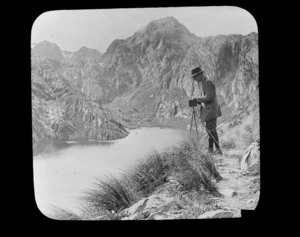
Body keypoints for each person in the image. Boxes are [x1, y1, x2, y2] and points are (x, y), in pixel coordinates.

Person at [191, 66, 223, 155]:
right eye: (193, 77)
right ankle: (211, 149)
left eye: (195, 76)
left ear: (200, 74)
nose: (194, 79)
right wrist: (197, 101)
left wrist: (197, 98)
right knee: (210, 130)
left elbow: (210, 97)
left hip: (211, 110)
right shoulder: (203, 83)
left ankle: (217, 149)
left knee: (211, 130)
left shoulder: (208, 83)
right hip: (209, 110)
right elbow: (205, 98)